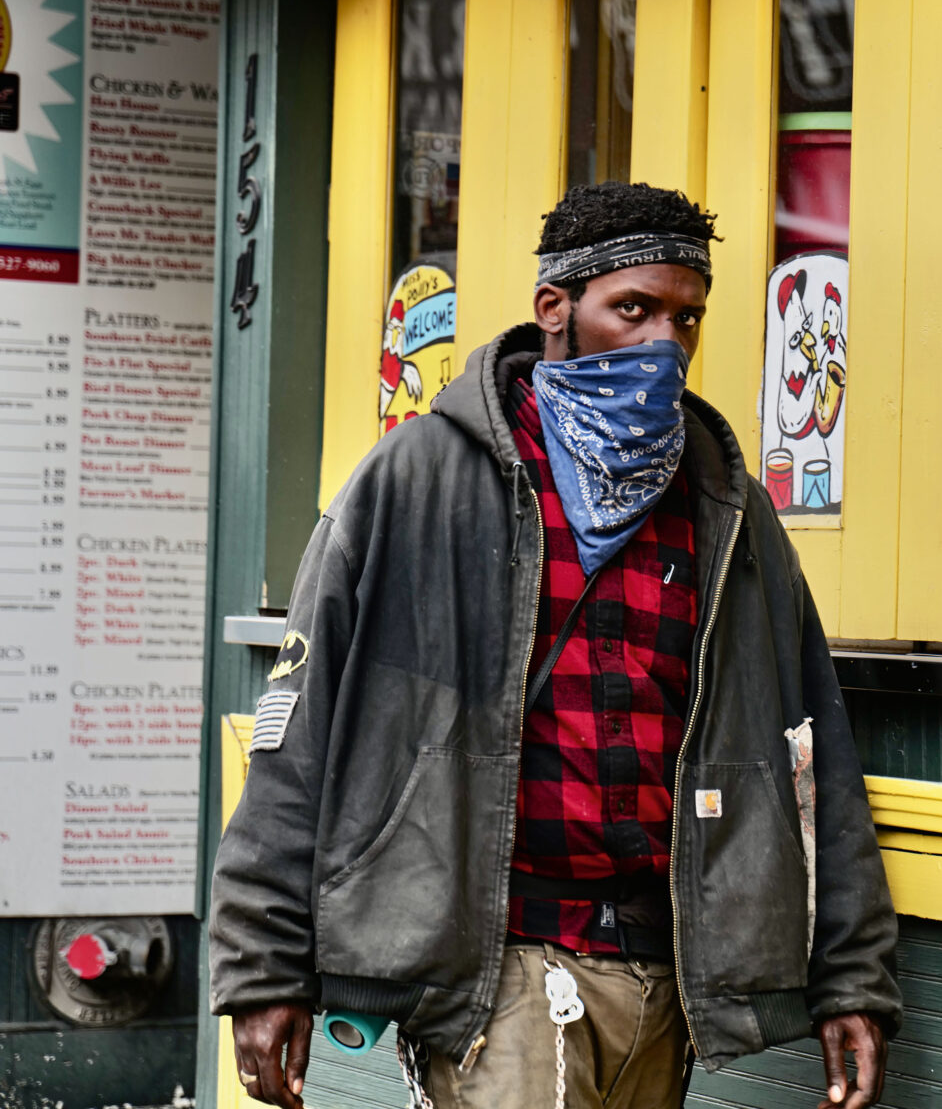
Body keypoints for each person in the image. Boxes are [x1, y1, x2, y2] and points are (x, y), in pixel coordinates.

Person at [209, 182, 901, 1109]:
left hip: (667, 970)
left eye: (686, 319)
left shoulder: (724, 507)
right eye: (634, 309)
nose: (664, 342)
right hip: (498, 965)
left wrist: (852, 975)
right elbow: (297, 730)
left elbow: (814, 751)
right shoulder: (418, 481)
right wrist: (264, 966)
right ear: (556, 311)